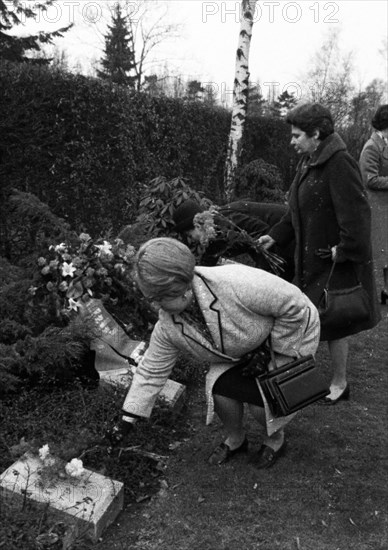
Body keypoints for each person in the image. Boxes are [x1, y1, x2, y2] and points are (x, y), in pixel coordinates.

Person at [113, 237, 320, 469]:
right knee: (220, 390)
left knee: (262, 403)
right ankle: (236, 438)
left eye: (158, 299)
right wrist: (127, 418)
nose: (154, 307)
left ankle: (275, 438)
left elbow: (296, 306)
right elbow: (152, 370)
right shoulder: (168, 325)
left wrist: (273, 349)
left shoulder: (235, 283)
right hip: (243, 350)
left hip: (292, 332)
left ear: (179, 289)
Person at [258, 103, 381, 405]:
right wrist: (274, 237)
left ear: (316, 134)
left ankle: (339, 383)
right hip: (309, 259)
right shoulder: (309, 160)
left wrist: (345, 249)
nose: (292, 141)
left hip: (332, 263)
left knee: (335, 322)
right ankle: (300, 378)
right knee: (311, 319)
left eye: (297, 135)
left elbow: (357, 216)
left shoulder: (340, 163)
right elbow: (294, 210)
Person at [172, 199, 295, 281]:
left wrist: (262, 273)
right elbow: (208, 261)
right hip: (281, 241)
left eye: (189, 235)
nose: (192, 240)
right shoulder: (214, 231)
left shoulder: (224, 221)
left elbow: (262, 231)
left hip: (292, 232)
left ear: (197, 226)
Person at [359, 105, 388, 303]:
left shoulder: (385, 143)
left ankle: (386, 291)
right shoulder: (371, 146)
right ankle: (377, 292)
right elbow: (369, 179)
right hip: (378, 208)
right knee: (380, 253)